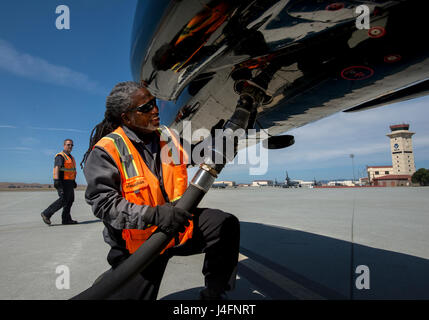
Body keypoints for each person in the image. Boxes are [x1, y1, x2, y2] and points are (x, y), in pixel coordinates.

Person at [81, 81, 240, 300]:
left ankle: (214, 296)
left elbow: (192, 154)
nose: (155, 110)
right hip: (140, 246)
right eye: (145, 108)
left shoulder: (166, 135)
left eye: (154, 103)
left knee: (224, 224)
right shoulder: (106, 151)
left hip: (178, 229)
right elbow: (105, 204)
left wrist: (216, 143)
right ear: (127, 118)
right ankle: (114, 279)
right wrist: (153, 215)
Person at [41, 139, 78, 225]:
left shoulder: (71, 157)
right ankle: (46, 214)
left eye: (72, 145)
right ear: (64, 145)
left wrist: (73, 181)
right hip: (62, 181)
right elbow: (57, 167)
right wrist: (56, 180)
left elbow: (71, 170)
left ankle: (66, 219)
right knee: (63, 199)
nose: (70, 146)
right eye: (68, 145)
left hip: (69, 182)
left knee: (70, 200)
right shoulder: (60, 156)